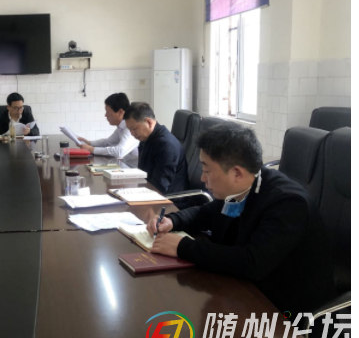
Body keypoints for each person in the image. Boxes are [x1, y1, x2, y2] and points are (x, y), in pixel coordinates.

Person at [148, 123, 335, 317]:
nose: (202, 178)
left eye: (207, 170)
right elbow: (206, 213)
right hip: (246, 289)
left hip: (287, 310)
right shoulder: (244, 186)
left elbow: (252, 263)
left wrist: (183, 246)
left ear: (237, 173)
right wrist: (172, 220)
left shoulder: (288, 203)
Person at [124, 102, 187, 194]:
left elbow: (159, 186)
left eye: (134, 129)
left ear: (149, 122)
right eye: (129, 129)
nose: (132, 133)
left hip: (169, 199)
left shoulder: (166, 145)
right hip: (149, 192)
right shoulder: (146, 139)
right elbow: (143, 175)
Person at [77, 92, 138, 167]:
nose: (105, 115)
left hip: (134, 170)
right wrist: (88, 143)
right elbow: (108, 142)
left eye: (107, 111)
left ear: (120, 112)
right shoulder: (121, 127)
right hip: (126, 166)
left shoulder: (129, 128)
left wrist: (92, 149)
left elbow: (119, 152)